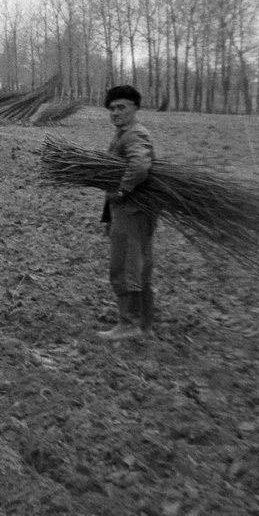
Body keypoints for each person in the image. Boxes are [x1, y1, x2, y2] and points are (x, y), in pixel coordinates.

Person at [98, 85, 157, 341]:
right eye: (111, 108)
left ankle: (129, 324)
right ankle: (144, 324)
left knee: (124, 266)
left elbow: (140, 164)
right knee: (139, 264)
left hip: (132, 210)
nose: (115, 112)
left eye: (121, 107)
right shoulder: (123, 133)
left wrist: (121, 190)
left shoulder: (133, 134)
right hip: (135, 209)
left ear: (135, 107)